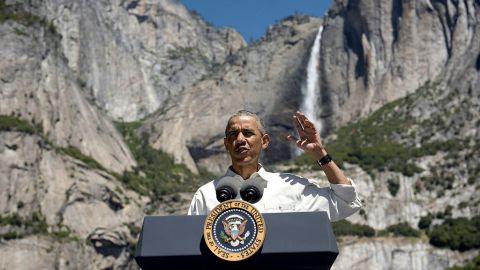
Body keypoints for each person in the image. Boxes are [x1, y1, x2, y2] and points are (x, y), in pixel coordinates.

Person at [187, 110, 361, 221]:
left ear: (264, 141)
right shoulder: (206, 195)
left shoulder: (290, 187)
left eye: (247, 133)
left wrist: (320, 153)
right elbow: (190, 244)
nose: (240, 139)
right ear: (226, 144)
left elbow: (346, 201)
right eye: (233, 134)